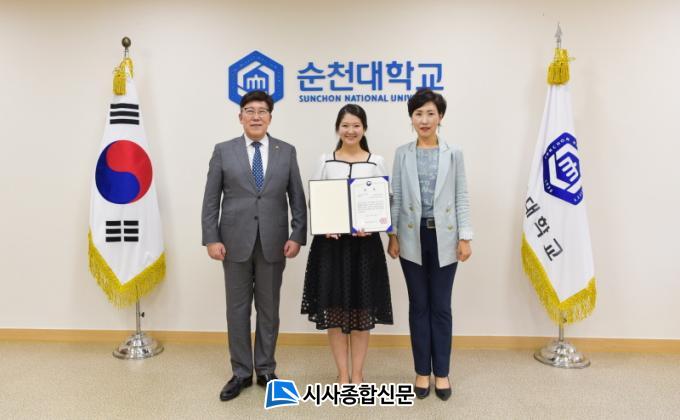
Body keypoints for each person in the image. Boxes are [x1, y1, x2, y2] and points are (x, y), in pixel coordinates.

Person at [201, 90, 307, 402]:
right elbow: (211, 200)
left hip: (274, 242)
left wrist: (297, 234)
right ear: (240, 117)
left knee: (269, 309)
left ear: (270, 117)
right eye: (250, 111)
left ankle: (265, 368)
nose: (256, 116)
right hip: (233, 243)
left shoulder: (286, 151)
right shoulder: (223, 151)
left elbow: (297, 198)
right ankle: (241, 372)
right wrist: (211, 237)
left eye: (262, 111)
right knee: (237, 310)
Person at [387, 89, 473, 401]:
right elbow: (396, 195)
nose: (424, 120)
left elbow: (461, 195)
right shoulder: (402, 153)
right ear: (411, 118)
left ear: (440, 117)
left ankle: (443, 373)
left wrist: (465, 236)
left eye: (430, 114)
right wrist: (392, 235)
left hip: (445, 238)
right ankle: (422, 371)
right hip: (411, 236)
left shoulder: (454, 153)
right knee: (419, 305)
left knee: (441, 306)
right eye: (418, 114)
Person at [301, 104, 393, 384]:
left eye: (356, 125)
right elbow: (314, 201)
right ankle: (342, 374)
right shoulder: (325, 161)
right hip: (331, 248)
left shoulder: (376, 161)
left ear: (364, 128)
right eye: (345, 125)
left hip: (365, 248)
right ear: (337, 129)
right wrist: (325, 224)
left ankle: (358, 373)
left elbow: (385, 202)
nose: (350, 131)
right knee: (335, 311)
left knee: (362, 312)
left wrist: (375, 225)